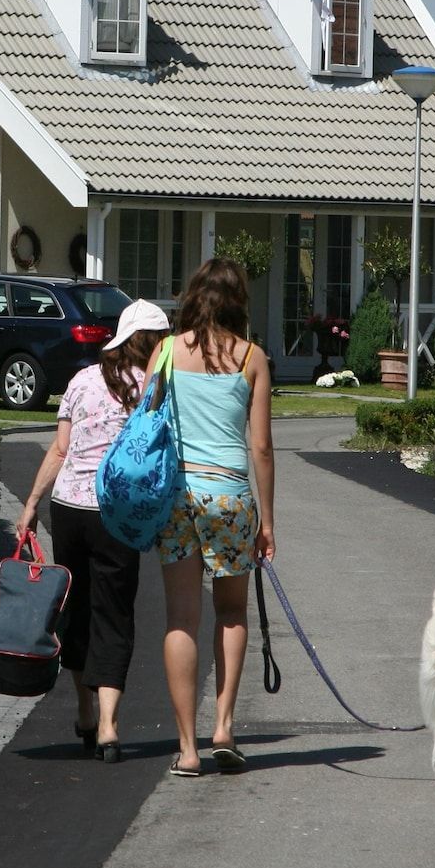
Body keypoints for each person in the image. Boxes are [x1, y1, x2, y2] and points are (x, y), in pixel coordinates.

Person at [14, 299, 170, 763]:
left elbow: (60, 450)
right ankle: (108, 726)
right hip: (116, 513)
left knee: (77, 610)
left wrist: (32, 503)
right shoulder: (153, 388)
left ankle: (84, 711)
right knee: (114, 614)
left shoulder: (82, 380)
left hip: (68, 509)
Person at [158, 258, 275, 779]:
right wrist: (267, 522)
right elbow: (262, 448)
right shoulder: (252, 358)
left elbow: (145, 421)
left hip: (178, 497)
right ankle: (224, 726)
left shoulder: (166, 351)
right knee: (231, 612)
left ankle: (187, 749)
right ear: (238, 301)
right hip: (230, 498)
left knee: (181, 619)